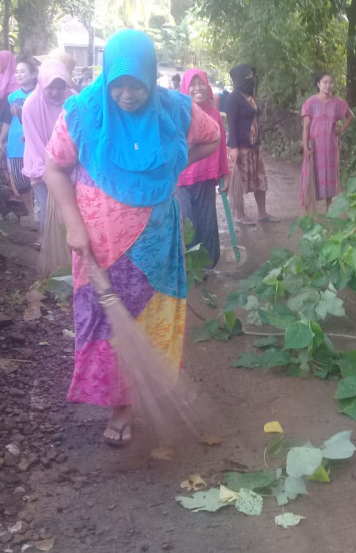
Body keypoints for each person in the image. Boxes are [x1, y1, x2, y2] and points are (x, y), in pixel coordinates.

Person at [45, 29, 220, 446]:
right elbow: (54, 167)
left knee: (150, 321)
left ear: (150, 77)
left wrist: (172, 165)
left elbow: (211, 137)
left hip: (155, 249)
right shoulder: (82, 113)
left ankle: (142, 392)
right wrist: (72, 224)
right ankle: (118, 405)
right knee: (106, 326)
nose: (126, 94)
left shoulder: (174, 110)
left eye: (136, 85)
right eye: (118, 85)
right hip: (100, 247)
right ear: (106, 79)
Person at [176, 68, 229, 266]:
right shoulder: (179, 113)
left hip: (206, 177)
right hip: (181, 179)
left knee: (207, 223)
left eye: (201, 83)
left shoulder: (214, 115)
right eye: (193, 84)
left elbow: (221, 147)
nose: (198, 88)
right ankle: (188, 267)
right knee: (186, 223)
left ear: (207, 87)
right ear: (185, 88)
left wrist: (225, 173)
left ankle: (207, 266)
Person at [22, 59, 76, 237]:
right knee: (47, 209)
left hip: (70, 166)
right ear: (41, 83)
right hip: (40, 166)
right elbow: (34, 141)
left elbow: (78, 133)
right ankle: (50, 250)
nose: (55, 92)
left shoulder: (74, 100)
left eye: (60, 87)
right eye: (50, 87)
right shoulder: (30, 105)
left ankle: (70, 256)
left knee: (71, 210)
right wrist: (48, 170)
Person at [225, 63, 277, 224]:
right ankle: (240, 215)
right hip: (240, 147)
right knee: (239, 182)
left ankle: (263, 213)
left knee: (260, 179)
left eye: (251, 75)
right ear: (239, 77)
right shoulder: (233, 98)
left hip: (254, 146)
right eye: (247, 75)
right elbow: (231, 124)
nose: (251, 78)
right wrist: (233, 148)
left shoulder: (250, 96)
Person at [300, 72, 354, 211]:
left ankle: (329, 211)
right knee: (310, 177)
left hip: (330, 146)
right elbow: (306, 126)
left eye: (330, 82)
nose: (328, 85)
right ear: (318, 84)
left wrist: (340, 130)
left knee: (330, 177)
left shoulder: (338, 103)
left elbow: (350, 116)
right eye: (325, 82)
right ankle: (308, 212)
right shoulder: (310, 103)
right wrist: (305, 146)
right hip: (314, 146)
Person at [4, 58, 38, 217]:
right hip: (15, 145)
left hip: (35, 144)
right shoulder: (11, 97)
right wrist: (1, 140)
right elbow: (6, 121)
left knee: (37, 180)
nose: (18, 74)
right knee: (20, 182)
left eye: (22, 71)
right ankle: (31, 214)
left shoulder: (40, 93)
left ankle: (40, 216)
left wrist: (21, 112)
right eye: (16, 71)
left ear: (33, 74)